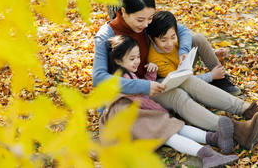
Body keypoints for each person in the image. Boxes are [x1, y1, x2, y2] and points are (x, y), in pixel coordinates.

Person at [92, 0, 258, 150]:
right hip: (127, 96)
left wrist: (182, 51)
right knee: (178, 96)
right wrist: (143, 87)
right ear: (124, 12)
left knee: (188, 80)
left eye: (149, 19)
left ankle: (248, 110)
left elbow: (183, 30)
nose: (145, 25)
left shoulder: (145, 24)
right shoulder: (106, 35)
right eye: (140, 20)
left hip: (152, 81)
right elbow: (99, 78)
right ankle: (238, 130)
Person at [99, 35, 239, 167]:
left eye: (138, 57)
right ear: (117, 61)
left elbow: (143, 90)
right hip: (128, 119)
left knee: (173, 125)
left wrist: (151, 74)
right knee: (167, 132)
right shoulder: (122, 78)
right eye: (132, 58)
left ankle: (213, 138)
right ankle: (208, 156)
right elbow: (144, 100)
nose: (137, 61)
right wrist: (161, 110)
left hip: (136, 113)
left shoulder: (127, 74)